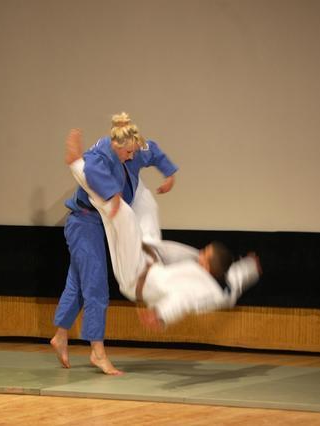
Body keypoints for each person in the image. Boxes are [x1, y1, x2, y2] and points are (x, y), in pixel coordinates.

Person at [65, 129, 261, 329]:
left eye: (205, 255)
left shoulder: (203, 288)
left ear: (208, 269)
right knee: (147, 203)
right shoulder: (218, 272)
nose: (200, 254)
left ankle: (77, 165)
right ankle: (116, 177)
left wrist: (160, 315)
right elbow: (236, 275)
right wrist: (251, 267)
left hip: (134, 276)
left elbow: (180, 301)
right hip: (149, 254)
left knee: (122, 214)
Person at [51, 113, 178, 375]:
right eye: (127, 153)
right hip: (84, 222)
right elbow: (93, 173)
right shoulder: (100, 155)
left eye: (133, 152)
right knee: (95, 285)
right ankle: (97, 352)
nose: (131, 157)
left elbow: (152, 151)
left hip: (104, 223)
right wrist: (113, 194)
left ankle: (60, 336)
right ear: (115, 145)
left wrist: (169, 174)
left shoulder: (133, 148)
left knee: (78, 282)